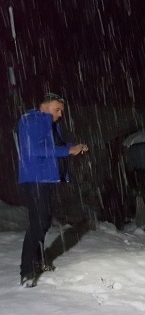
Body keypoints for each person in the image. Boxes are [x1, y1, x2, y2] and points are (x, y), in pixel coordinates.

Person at [17, 92, 89, 287]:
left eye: (61, 111)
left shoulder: (49, 124)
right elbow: (36, 150)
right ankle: (27, 271)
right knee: (38, 222)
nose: (60, 114)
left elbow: (53, 146)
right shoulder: (32, 120)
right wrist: (67, 151)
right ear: (44, 106)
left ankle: (39, 262)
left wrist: (73, 147)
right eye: (57, 109)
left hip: (46, 179)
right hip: (35, 179)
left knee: (44, 221)